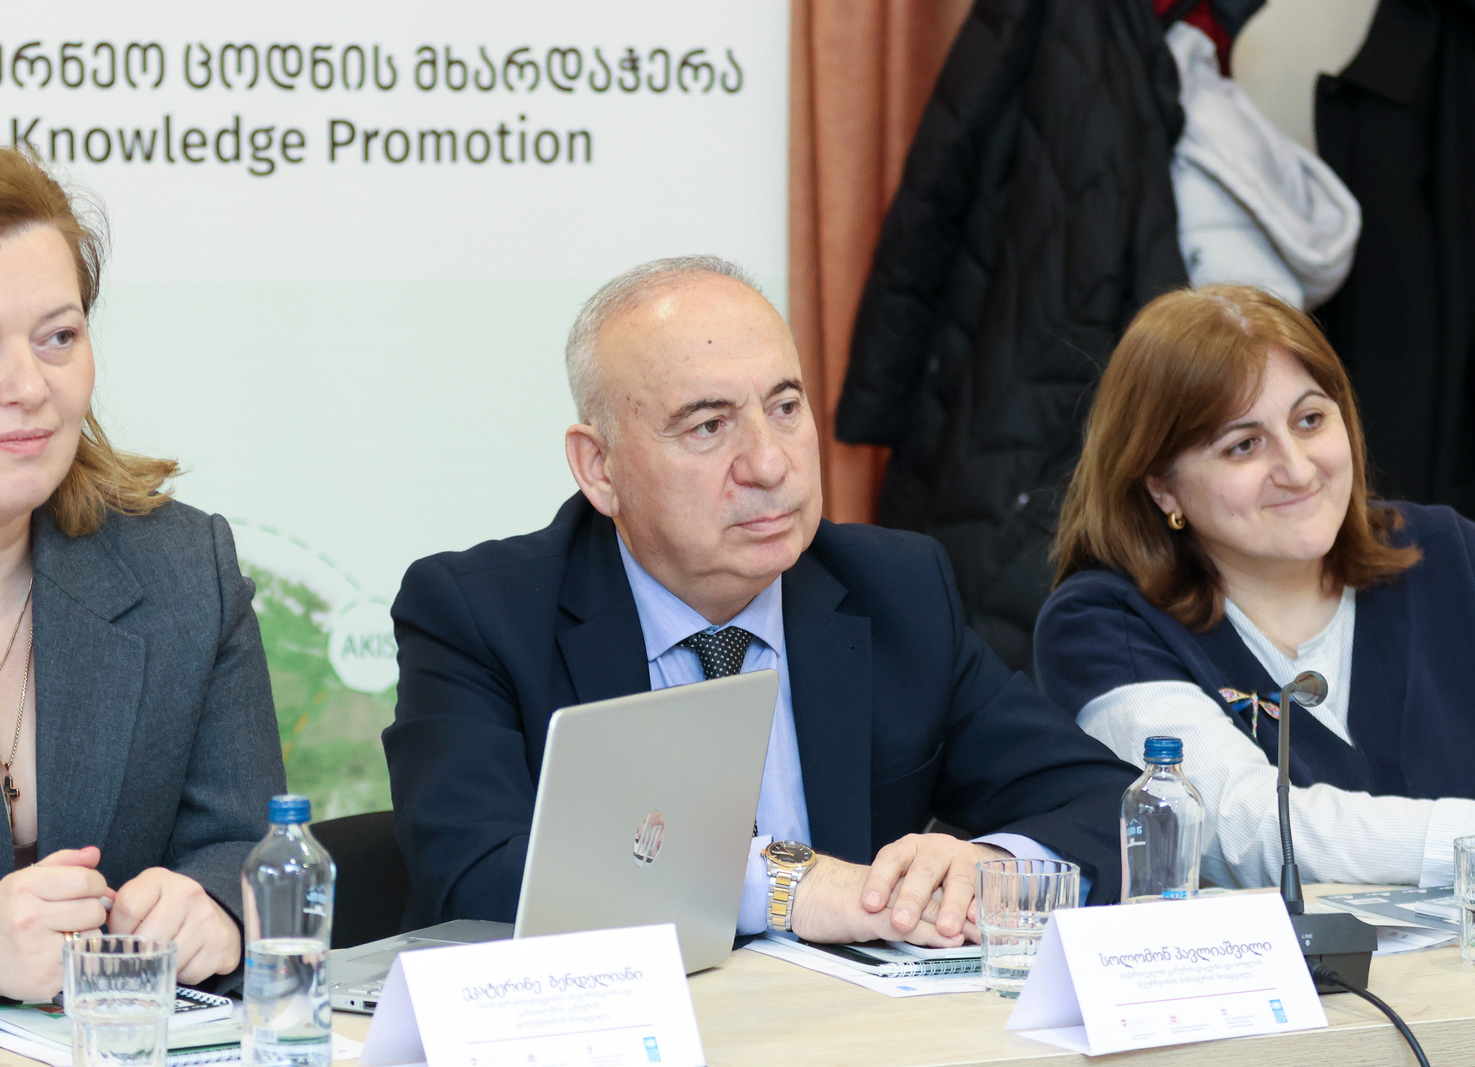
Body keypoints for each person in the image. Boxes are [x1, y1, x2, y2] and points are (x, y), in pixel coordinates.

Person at [384, 257, 1140, 945]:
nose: (770, 464)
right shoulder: (481, 614)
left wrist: (991, 863)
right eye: (709, 426)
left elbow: (1114, 805)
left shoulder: (896, 589)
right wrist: (785, 884)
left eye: (784, 407)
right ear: (600, 467)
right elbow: (473, 873)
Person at [0, 145, 286, 1014]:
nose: (30, 387)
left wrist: (215, 909)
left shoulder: (184, 570)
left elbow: (252, 849)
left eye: (58, 337)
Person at [1035, 284, 1475, 891]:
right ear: (1163, 487)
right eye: (1243, 445)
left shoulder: (1446, 551)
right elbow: (1240, 832)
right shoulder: (1101, 624)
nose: (1298, 469)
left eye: (1310, 420)